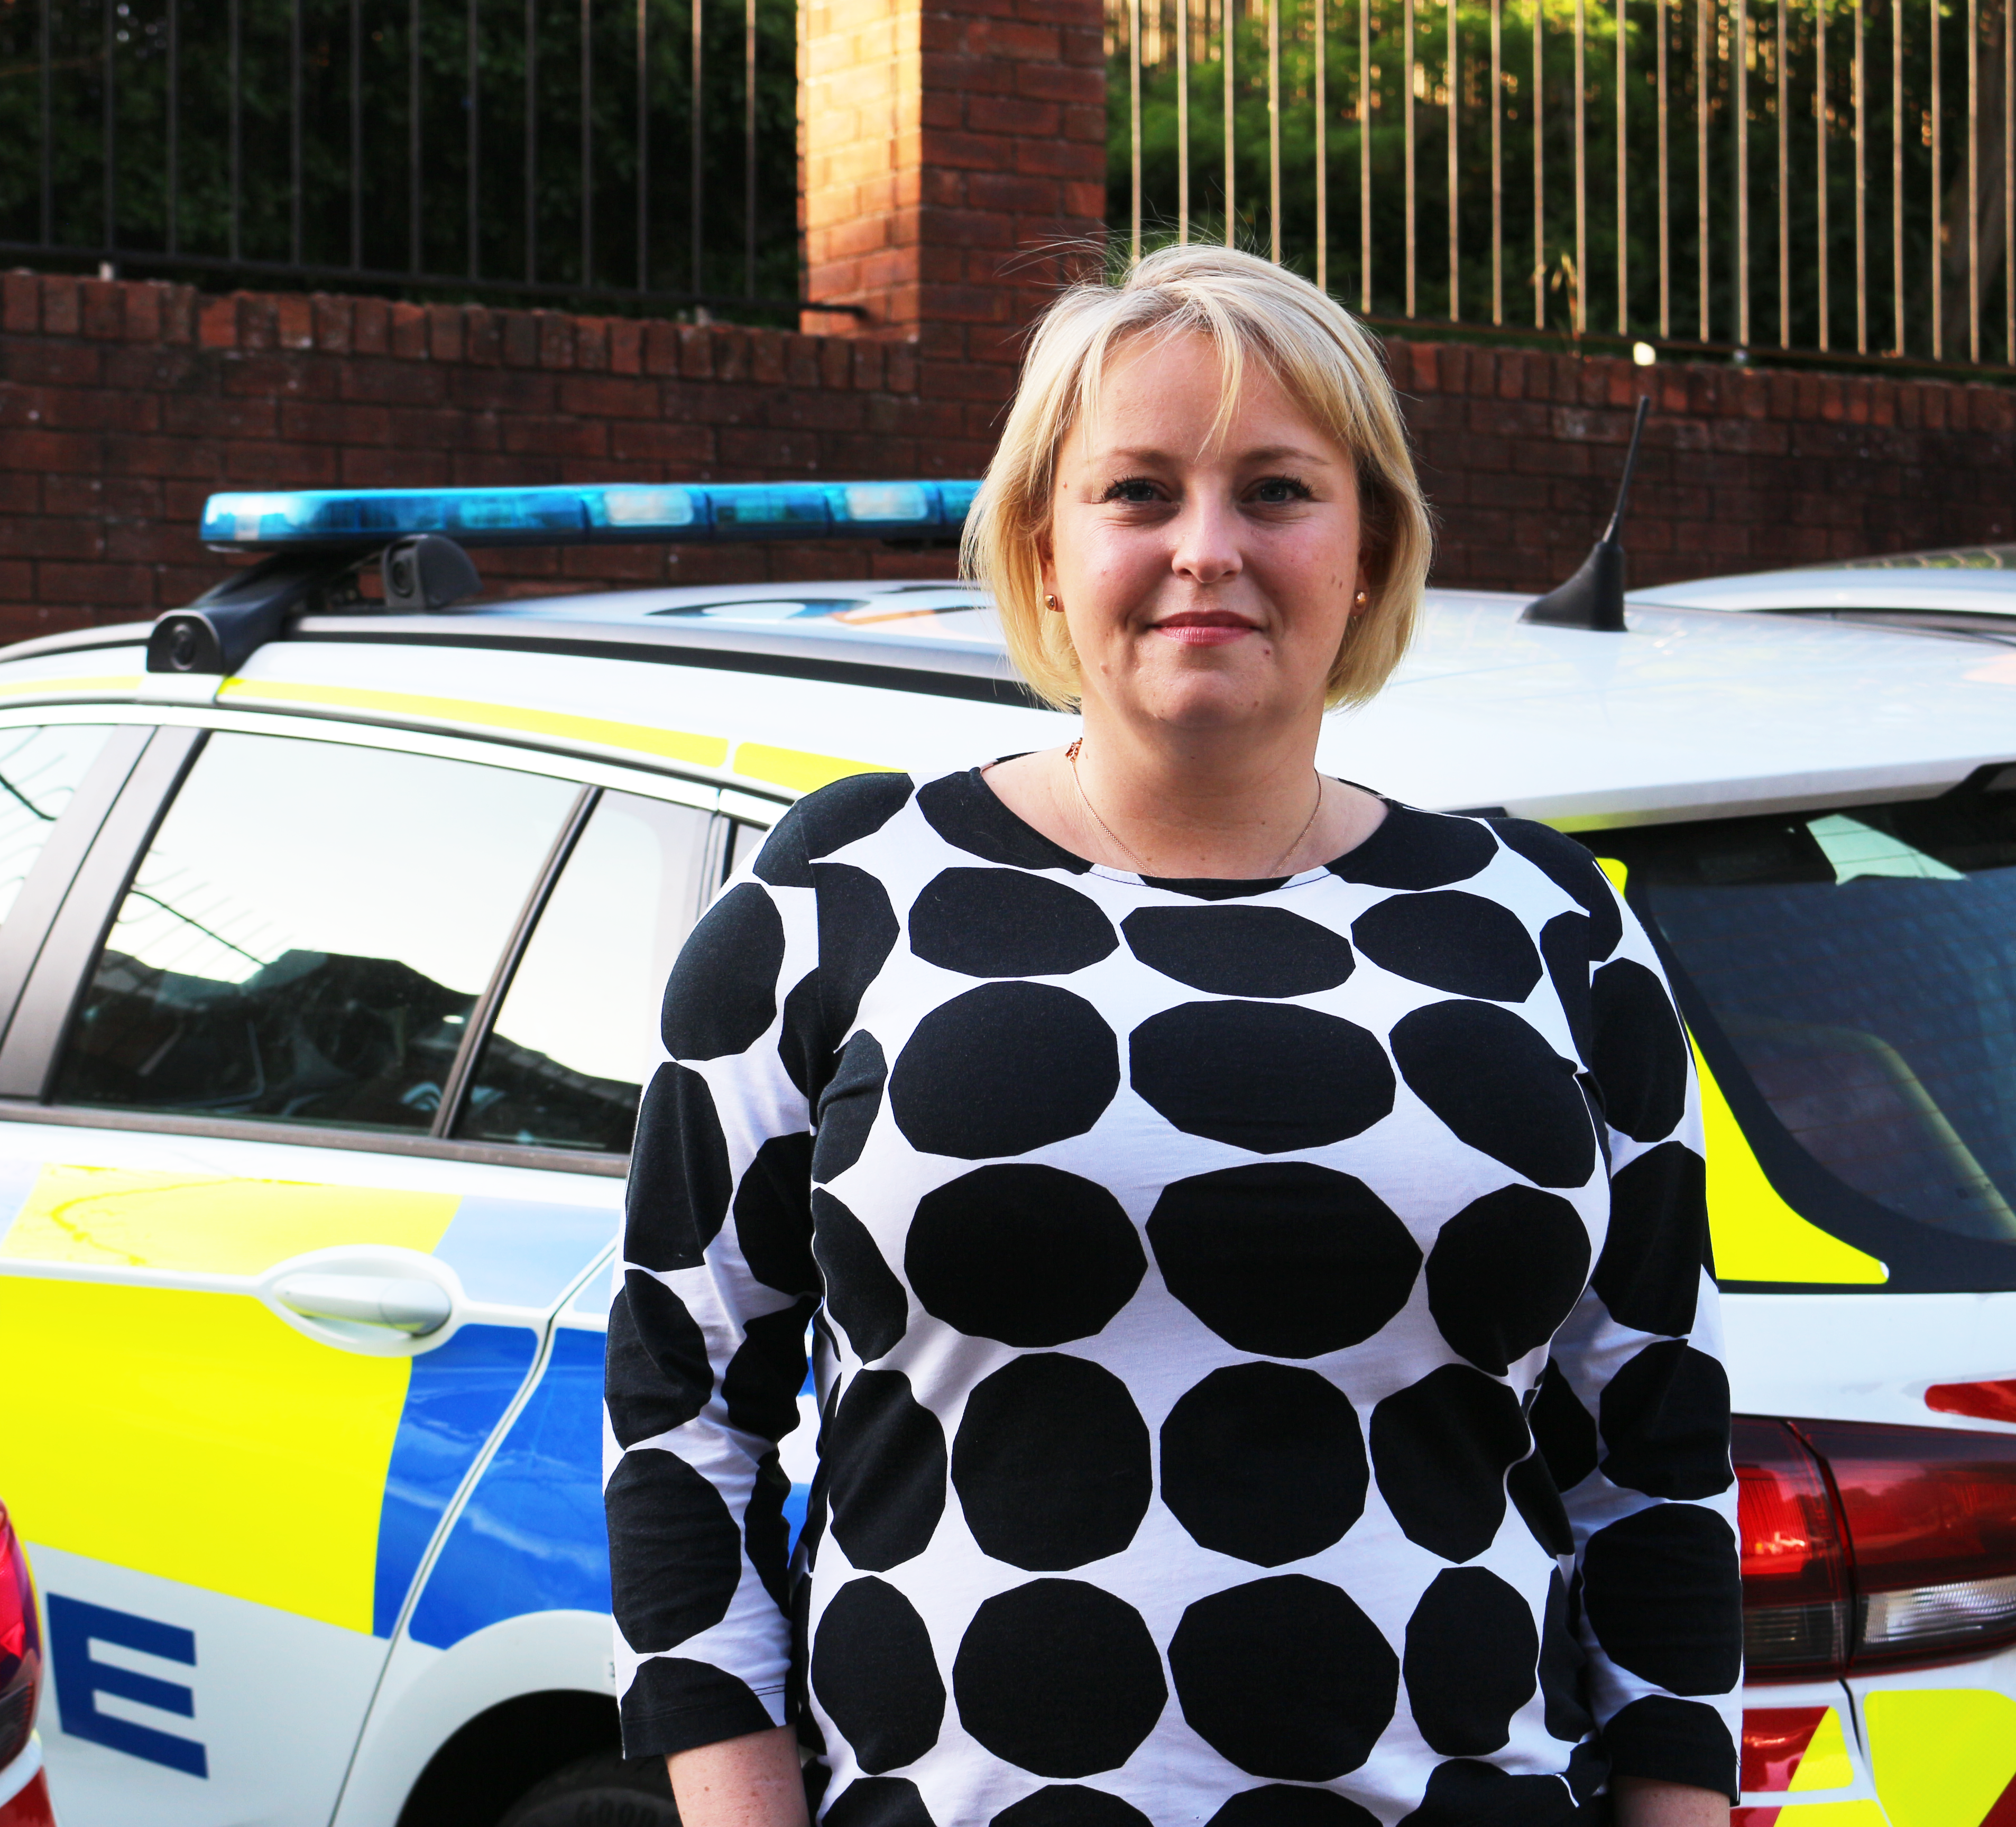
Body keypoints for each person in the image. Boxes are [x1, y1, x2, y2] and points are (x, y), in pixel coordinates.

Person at [604, 243, 1739, 1827]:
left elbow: (1657, 1466)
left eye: (1277, 490)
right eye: (1138, 492)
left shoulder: (1551, 925)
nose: (1207, 549)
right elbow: (685, 1420)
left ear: (1369, 549)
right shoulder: (835, 905)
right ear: (1043, 551)